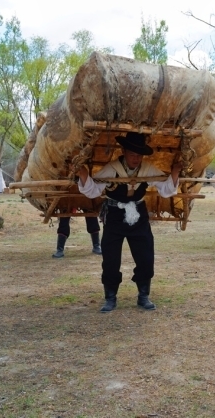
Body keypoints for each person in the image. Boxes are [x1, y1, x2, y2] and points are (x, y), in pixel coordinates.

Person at [77, 132, 181, 313]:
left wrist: (175, 173)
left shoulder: (147, 169)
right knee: (110, 258)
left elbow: (166, 190)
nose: (136, 158)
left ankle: (143, 296)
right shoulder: (111, 169)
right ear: (123, 151)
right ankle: (110, 298)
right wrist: (83, 174)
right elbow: (93, 191)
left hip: (139, 216)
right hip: (114, 216)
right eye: (132, 154)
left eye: (139, 155)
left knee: (145, 256)